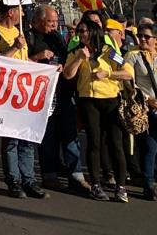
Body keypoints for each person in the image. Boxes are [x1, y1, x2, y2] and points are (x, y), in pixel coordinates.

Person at [62, 16, 134, 202]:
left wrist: (108, 73)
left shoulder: (109, 51)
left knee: (115, 143)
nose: (80, 34)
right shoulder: (77, 51)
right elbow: (68, 75)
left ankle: (120, 186)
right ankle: (95, 185)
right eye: (78, 32)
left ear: (93, 32)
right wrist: (79, 58)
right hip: (88, 100)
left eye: (84, 31)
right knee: (94, 142)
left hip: (110, 99)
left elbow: (128, 73)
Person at [0, 1, 48, 200]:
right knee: (11, 139)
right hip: (6, 92)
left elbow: (24, 60)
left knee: (27, 138)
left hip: (24, 91)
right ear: (11, 12)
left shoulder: (20, 32)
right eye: (20, 11)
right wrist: (14, 47)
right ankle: (14, 180)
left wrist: (46, 69)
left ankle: (29, 179)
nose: (23, 14)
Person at [26, 5, 88, 194]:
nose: (54, 25)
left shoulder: (57, 37)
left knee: (70, 135)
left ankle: (76, 175)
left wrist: (62, 64)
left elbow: (65, 58)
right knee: (47, 137)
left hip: (62, 93)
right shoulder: (27, 38)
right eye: (50, 22)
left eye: (55, 22)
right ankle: (49, 175)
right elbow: (20, 64)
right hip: (41, 97)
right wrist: (37, 57)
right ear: (37, 21)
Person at [127, 22, 157, 199]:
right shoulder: (133, 55)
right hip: (145, 108)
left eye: (147, 36)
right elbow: (130, 81)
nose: (143, 39)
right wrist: (147, 100)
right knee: (149, 147)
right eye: (140, 36)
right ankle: (148, 185)